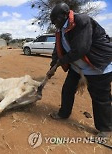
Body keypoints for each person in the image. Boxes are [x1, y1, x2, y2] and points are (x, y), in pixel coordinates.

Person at [46, 3, 112, 138]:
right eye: (53, 22)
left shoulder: (82, 21)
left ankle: (105, 128)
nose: (54, 24)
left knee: (100, 98)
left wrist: (60, 62)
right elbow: (58, 49)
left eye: (56, 20)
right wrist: (53, 65)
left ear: (65, 14)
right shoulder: (60, 28)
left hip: (97, 66)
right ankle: (64, 113)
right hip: (77, 67)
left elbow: (81, 49)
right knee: (67, 90)